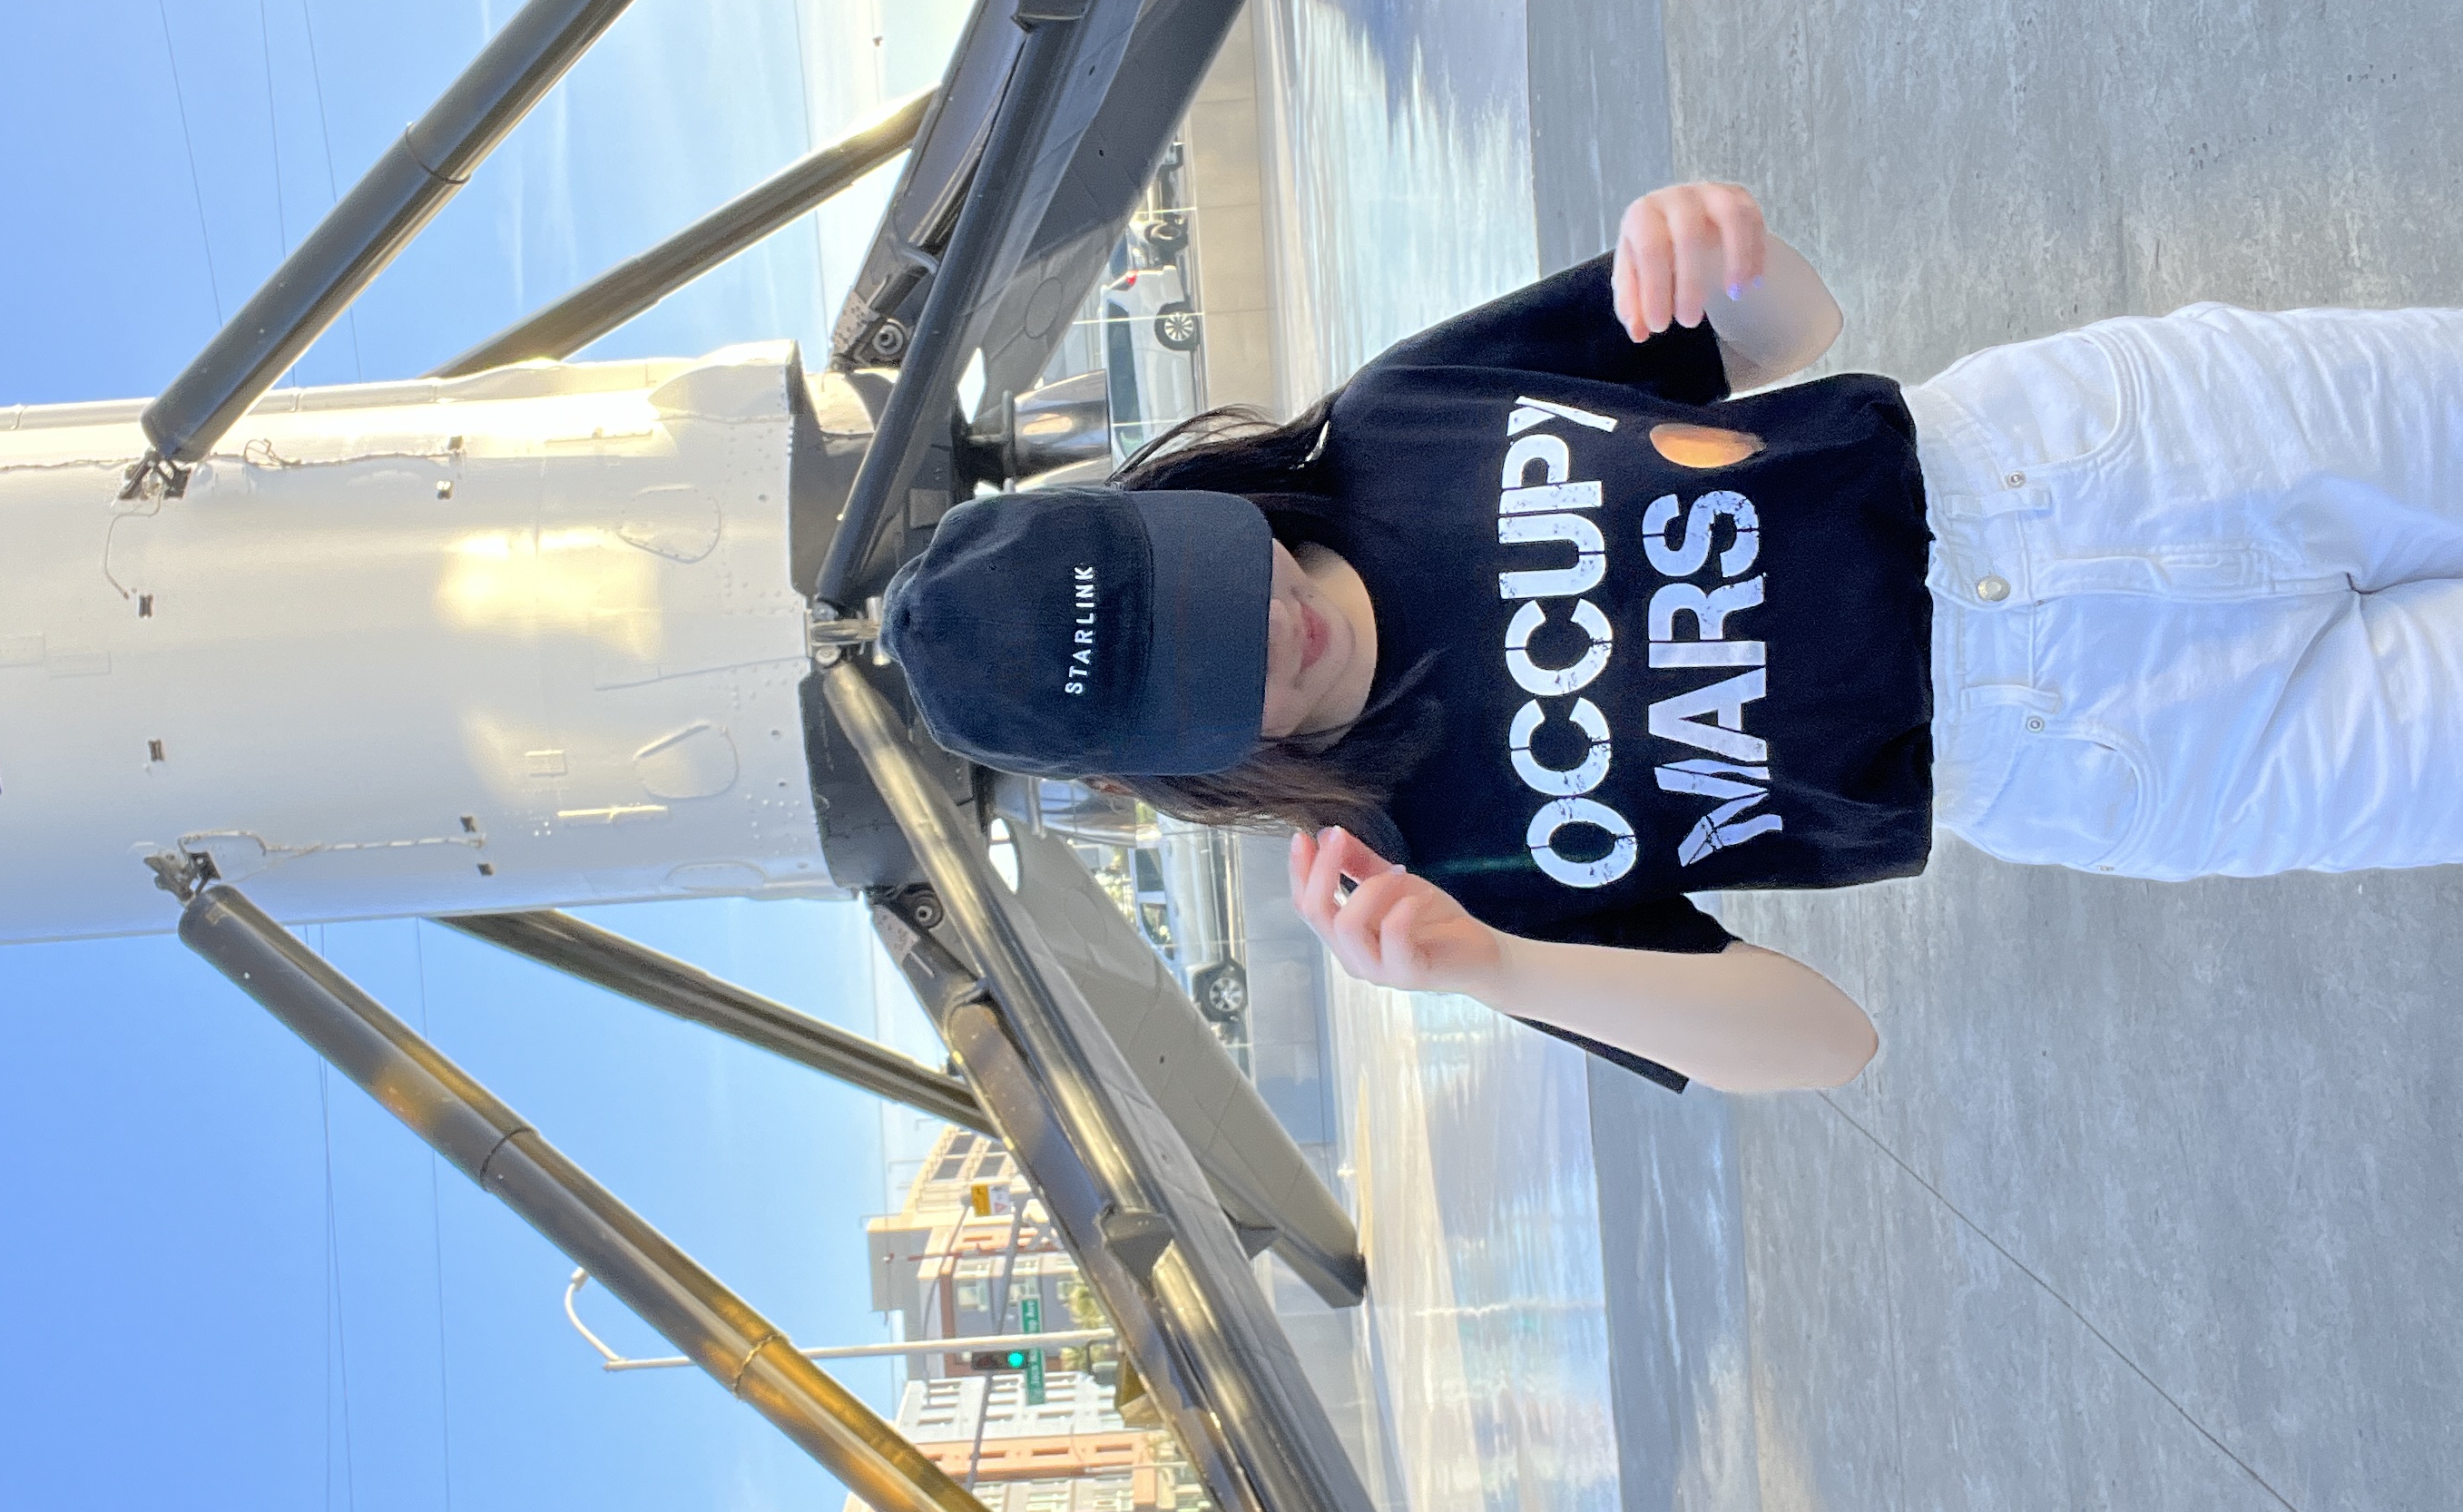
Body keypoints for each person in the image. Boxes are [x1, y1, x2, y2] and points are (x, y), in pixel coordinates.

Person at [879, 182, 2463, 1093]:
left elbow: (1786, 335)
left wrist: (1719, 239)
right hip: (2117, 749)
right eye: (1208, 672)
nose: (1276, 620)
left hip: (2085, 455)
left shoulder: (1391, 423)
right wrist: (1497, 964)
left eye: (1214, 572)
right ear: (1179, 766)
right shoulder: (1435, 867)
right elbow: (1818, 1045)